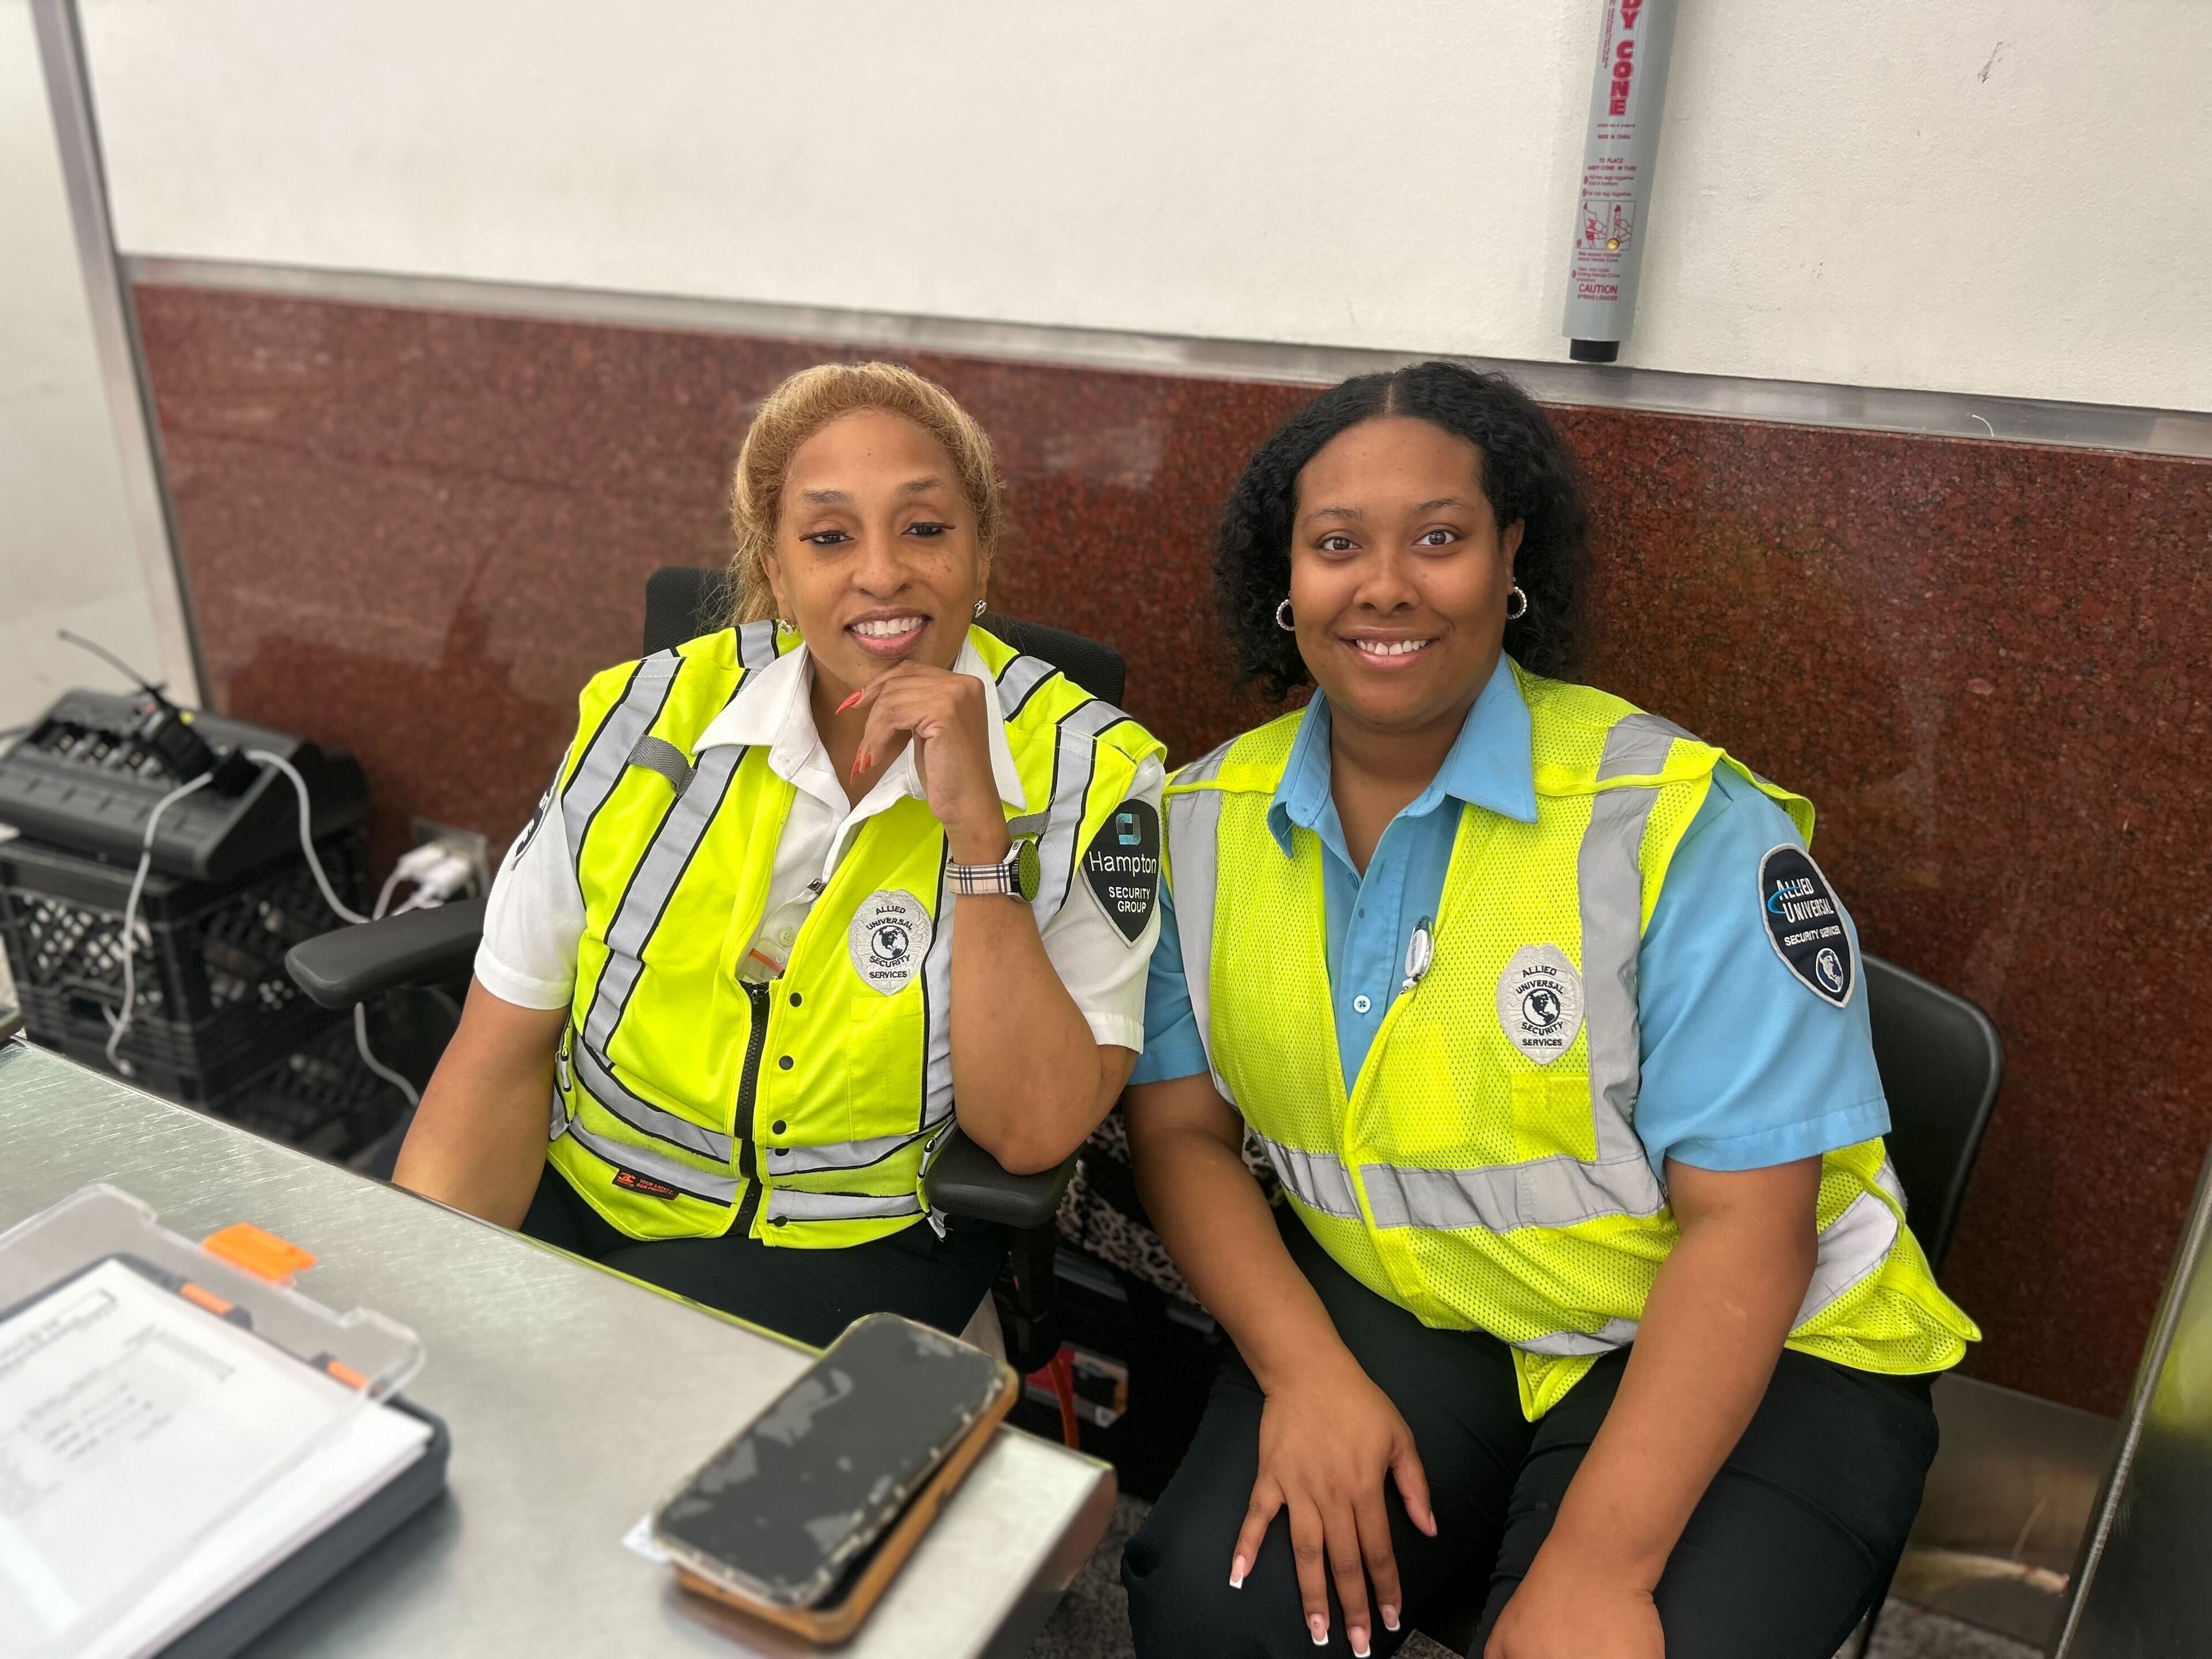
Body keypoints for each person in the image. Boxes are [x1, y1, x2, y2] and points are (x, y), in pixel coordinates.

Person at [1119, 362, 1978, 1658]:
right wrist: (1304, 1375)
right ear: (1283, 579)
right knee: (1215, 1613)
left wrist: (1595, 1562)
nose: (1388, 585)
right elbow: (1180, 1134)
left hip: (1751, 1341)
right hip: (1426, 1310)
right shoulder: (1198, 825)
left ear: (1510, 556)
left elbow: (1750, 1230)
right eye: (1338, 543)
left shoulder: (1675, 822)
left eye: (1442, 539)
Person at [392, 362, 1165, 1345]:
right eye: (829, 536)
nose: (881, 572)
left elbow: (1030, 1133)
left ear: (981, 555)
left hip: (849, 1245)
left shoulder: (1096, 771)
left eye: (925, 529)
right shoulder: (645, 711)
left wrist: (978, 841)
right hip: (585, 1181)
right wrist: (415, 1295)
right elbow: (501, 1052)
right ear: (776, 570)